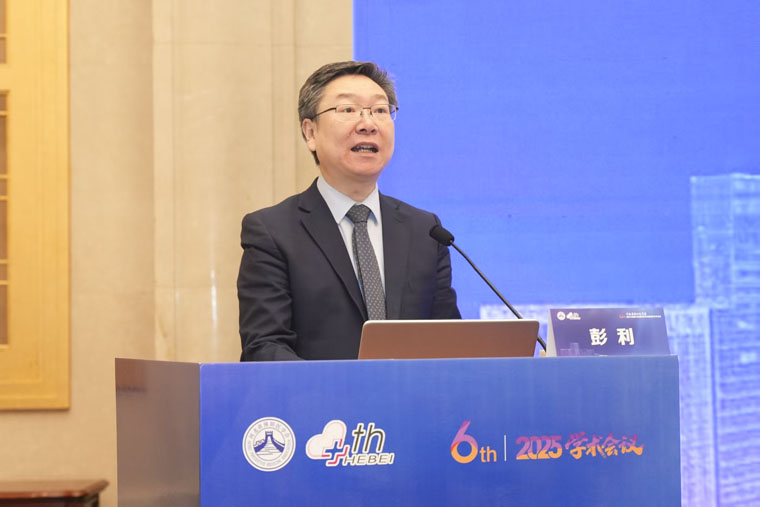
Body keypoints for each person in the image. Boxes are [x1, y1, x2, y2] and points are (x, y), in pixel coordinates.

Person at [238, 61, 460, 361]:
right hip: (317, 394)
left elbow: (449, 342)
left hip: (410, 393)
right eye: (348, 110)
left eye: (380, 110)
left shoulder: (426, 231)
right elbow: (264, 347)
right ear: (310, 132)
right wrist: (340, 387)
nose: (368, 123)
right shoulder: (273, 232)